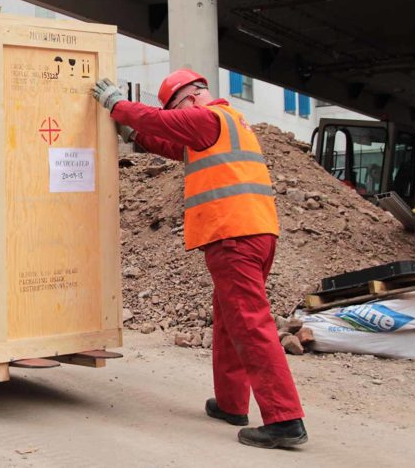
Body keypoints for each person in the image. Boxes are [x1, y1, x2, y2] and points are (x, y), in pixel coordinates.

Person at [91, 69, 308, 449]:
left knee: (249, 322)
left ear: (190, 98)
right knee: (229, 317)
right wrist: (134, 135)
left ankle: (284, 419)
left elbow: (161, 121)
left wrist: (117, 104)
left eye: (176, 109)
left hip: (233, 235)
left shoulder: (206, 117)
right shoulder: (231, 123)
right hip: (256, 231)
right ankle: (231, 403)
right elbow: (173, 144)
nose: (177, 116)